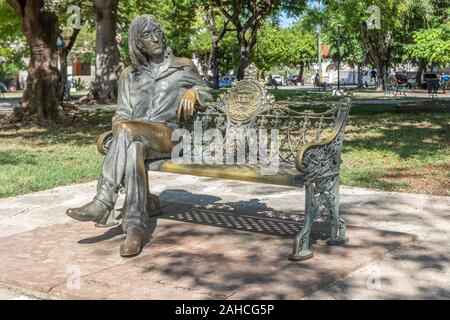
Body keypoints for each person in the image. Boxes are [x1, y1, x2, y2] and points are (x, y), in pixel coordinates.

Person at [65, 14, 213, 257]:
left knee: (127, 132)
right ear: (137, 43)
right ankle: (134, 228)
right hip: (137, 136)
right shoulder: (129, 75)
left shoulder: (184, 66)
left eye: (157, 32)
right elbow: (122, 114)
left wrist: (194, 93)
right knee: (133, 148)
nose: (155, 38)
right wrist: (123, 131)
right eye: (146, 35)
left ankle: (103, 201)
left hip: (172, 136)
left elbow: (209, 93)